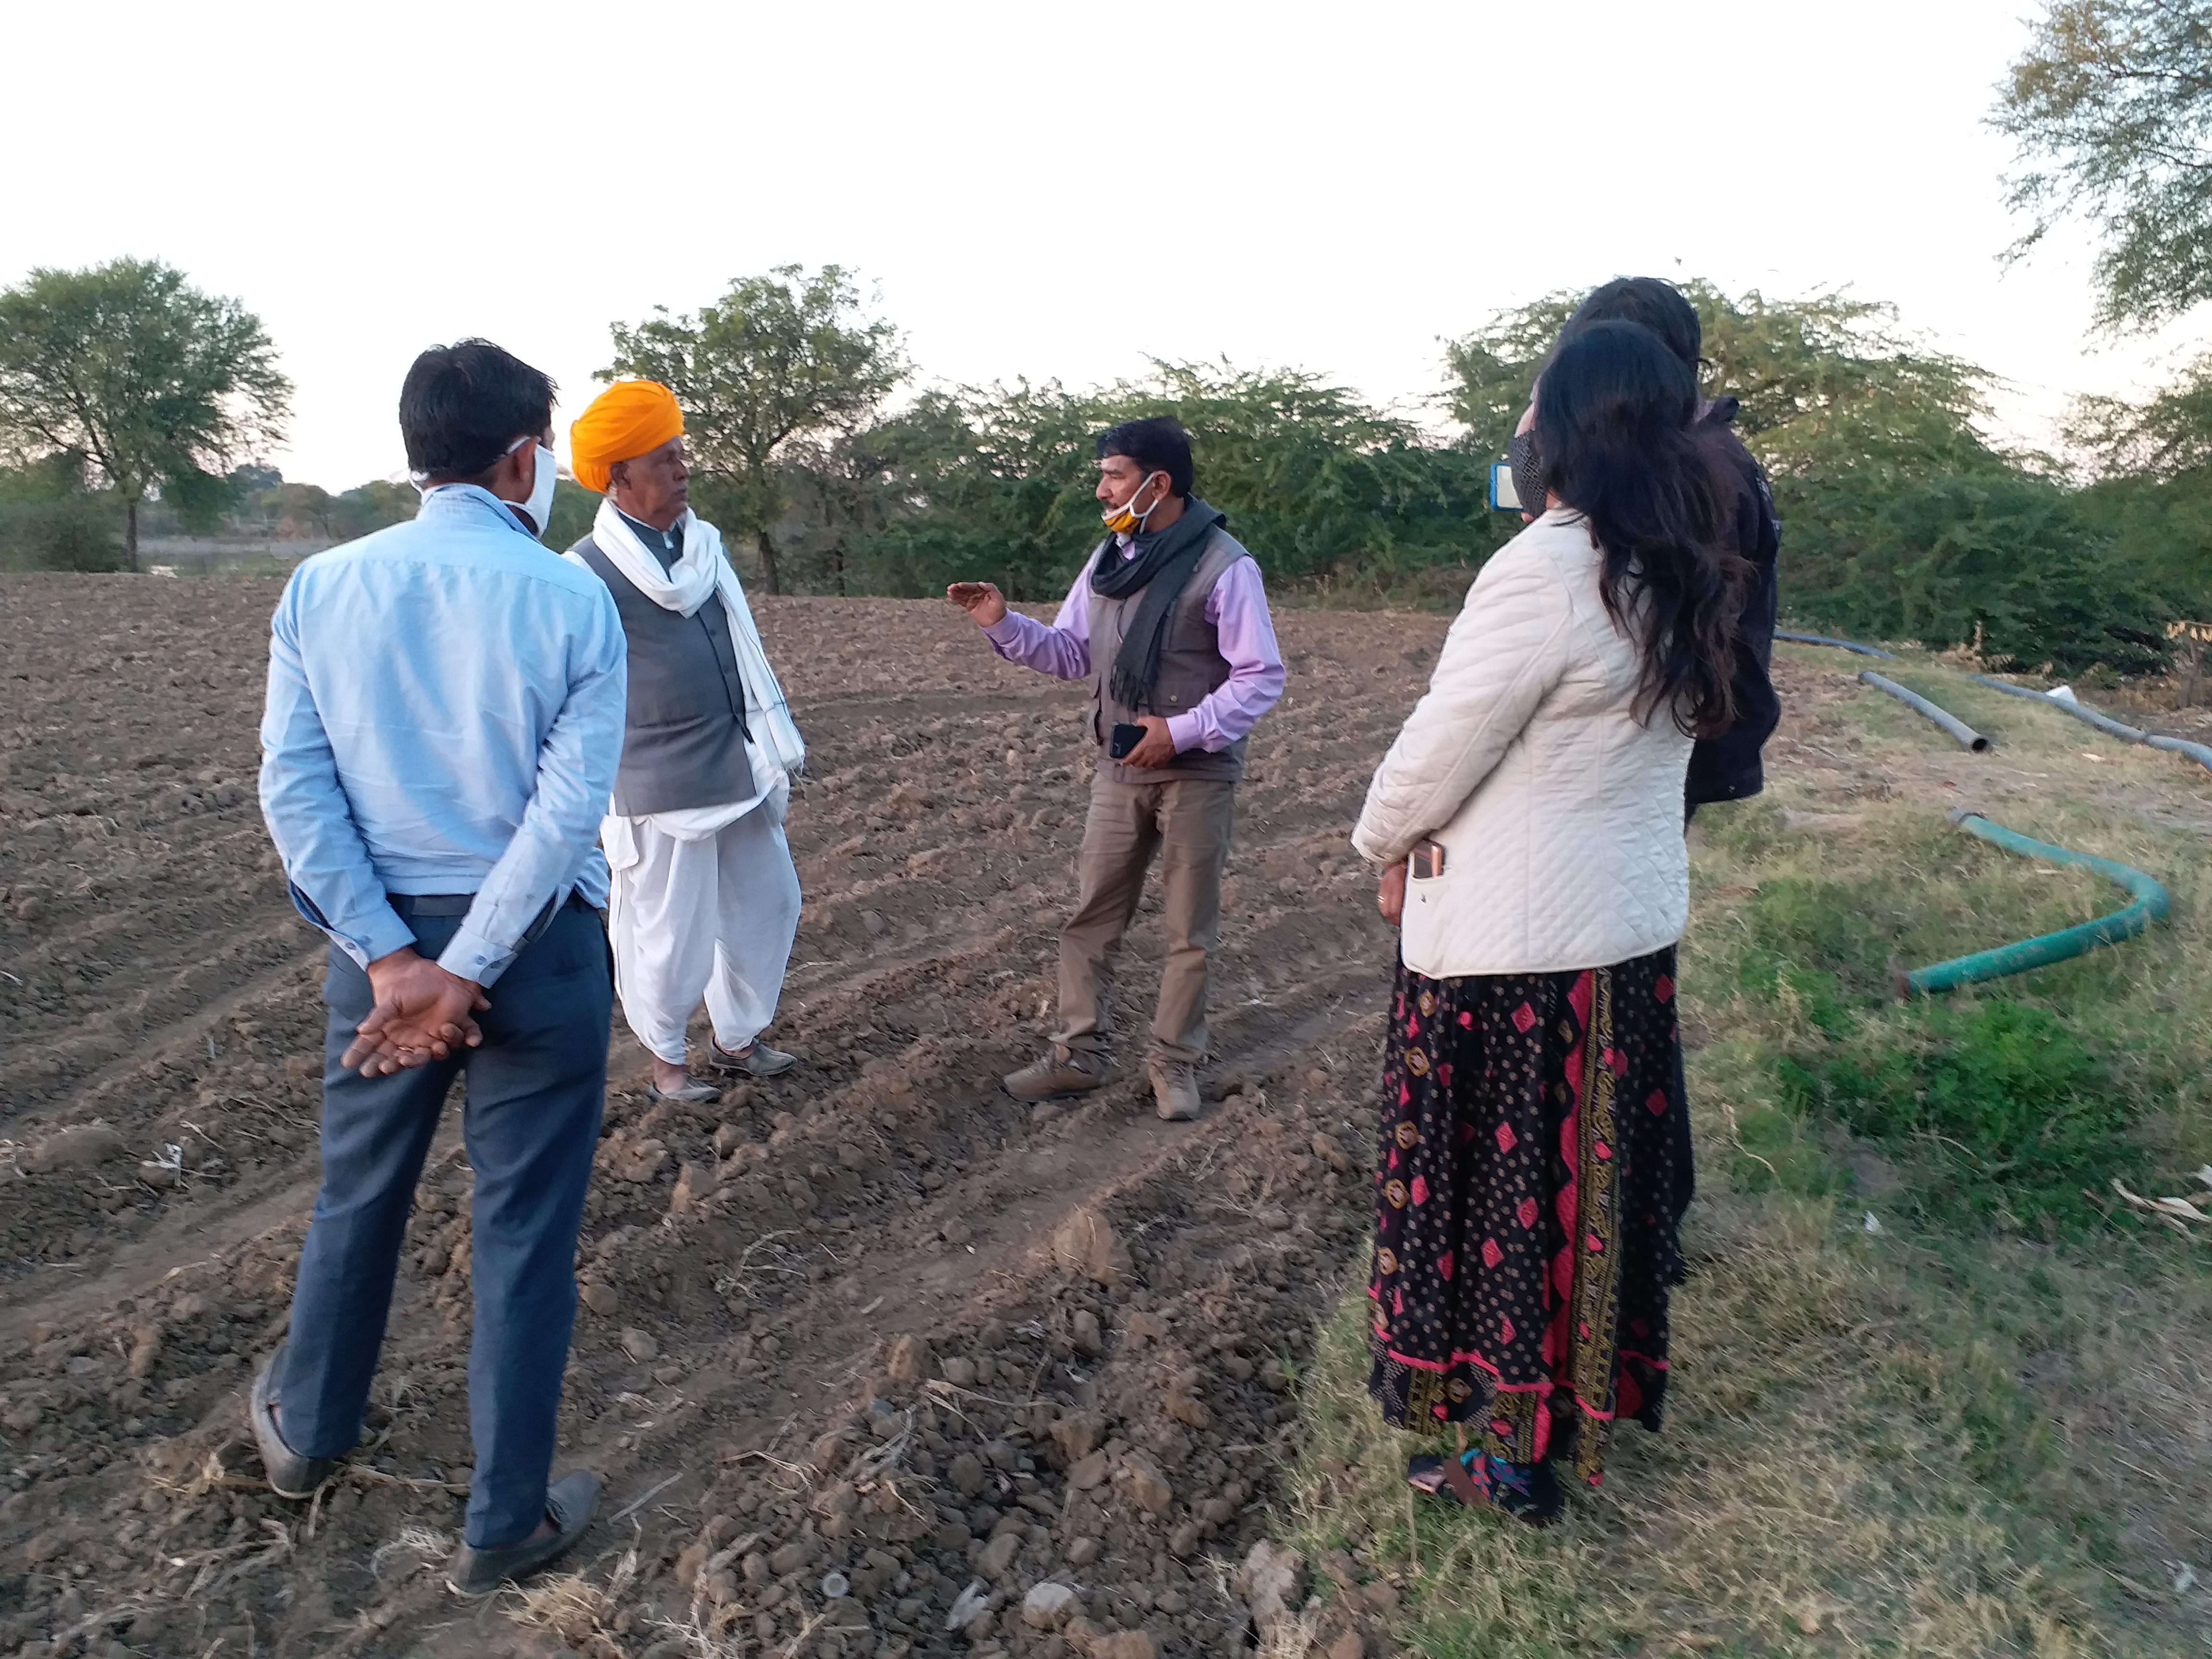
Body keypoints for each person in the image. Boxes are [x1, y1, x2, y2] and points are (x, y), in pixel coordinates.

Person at [1351, 321, 1748, 1524]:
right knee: (1586, 1198)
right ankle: (1556, 1421)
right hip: (1620, 941)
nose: (1518, 433)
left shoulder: (1546, 564)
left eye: (1532, 411)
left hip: (1514, 954)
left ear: (1571, 428)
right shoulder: (1675, 562)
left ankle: (1510, 1454)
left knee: (1507, 1202)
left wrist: (1379, 841)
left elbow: (1440, 745)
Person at [254, 339, 625, 1594]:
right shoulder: (573, 599)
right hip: (537, 959)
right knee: (524, 1235)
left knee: (356, 1197)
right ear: (526, 458)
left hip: (384, 962)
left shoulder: (320, 586)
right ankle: (502, 1523)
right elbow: (567, 814)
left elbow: (295, 789)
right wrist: (466, 970)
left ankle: (305, 1442)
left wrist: (393, 958)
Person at [947, 416, 1285, 1121]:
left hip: (1198, 770)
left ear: (1157, 484)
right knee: (1091, 916)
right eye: (1103, 474)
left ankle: (1175, 1063)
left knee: (1189, 928)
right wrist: (1002, 623)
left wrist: (1183, 731)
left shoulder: (1227, 566)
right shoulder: (1110, 559)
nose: (1102, 488)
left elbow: (1259, 676)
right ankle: (1077, 1054)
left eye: (1115, 475)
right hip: (1119, 766)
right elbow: (1073, 653)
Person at [564, 380, 805, 1105]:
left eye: (681, 455)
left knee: (772, 905)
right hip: (655, 785)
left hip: (740, 761)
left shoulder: (700, 546)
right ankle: (669, 1065)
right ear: (618, 479)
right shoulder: (583, 574)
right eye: (664, 460)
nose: (683, 470)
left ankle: (737, 1039)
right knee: (671, 937)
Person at [1511, 276, 1782, 816]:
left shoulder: (1697, 470)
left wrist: (1531, 449)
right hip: (1675, 724)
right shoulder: (1702, 457)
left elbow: (1617, 596)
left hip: (1663, 731)